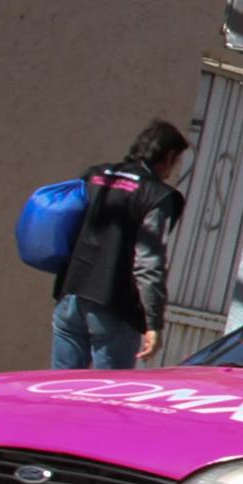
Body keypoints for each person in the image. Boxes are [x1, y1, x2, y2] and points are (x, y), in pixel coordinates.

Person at [51, 120, 190, 370]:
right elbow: (149, 263)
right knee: (109, 398)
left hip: (69, 298)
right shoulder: (157, 195)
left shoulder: (93, 176)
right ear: (169, 156)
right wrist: (153, 322)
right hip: (114, 309)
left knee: (59, 394)